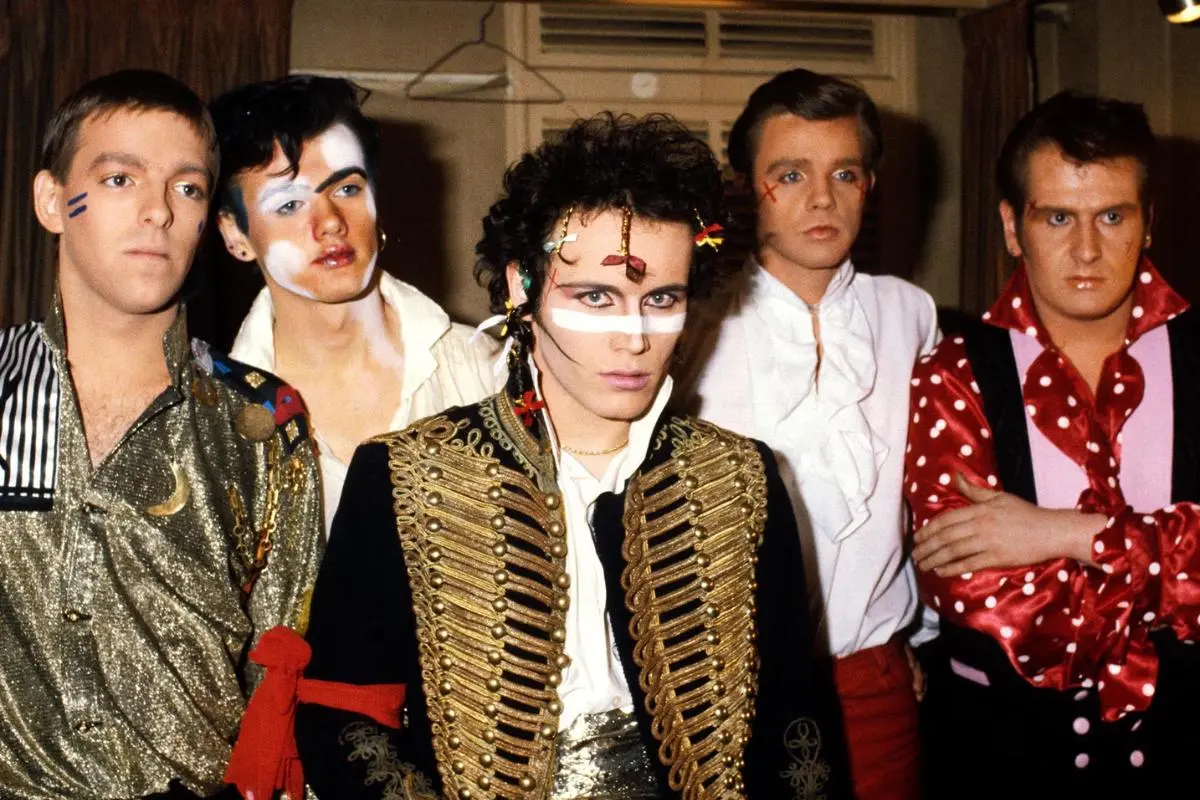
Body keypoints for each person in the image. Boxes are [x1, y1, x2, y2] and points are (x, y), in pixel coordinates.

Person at [224, 112, 851, 800]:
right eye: (595, 297)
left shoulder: (739, 478)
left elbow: (798, 727)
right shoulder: (408, 476)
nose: (635, 338)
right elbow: (344, 712)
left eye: (661, 298)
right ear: (523, 287)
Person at [0, 70, 323, 799]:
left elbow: (283, 682)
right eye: (120, 179)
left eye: (187, 189)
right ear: (52, 201)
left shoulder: (266, 423)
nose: (157, 212)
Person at [905, 91, 1200, 795]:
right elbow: (972, 587)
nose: (1088, 249)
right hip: (1003, 764)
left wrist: (1066, 534)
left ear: (1148, 222)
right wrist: (1171, 561)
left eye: (1113, 216)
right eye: (1058, 217)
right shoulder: (953, 373)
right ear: (1013, 227)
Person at [679, 68, 935, 800]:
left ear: (870, 185)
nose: (821, 199)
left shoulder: (910, 315)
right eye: (789, 175)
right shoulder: (693, 326)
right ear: (743, 187)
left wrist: (914, 637)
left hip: (874, 684)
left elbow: (928, 495)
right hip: (729, 688)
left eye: (844, 173)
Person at [211, 75, 497, 534]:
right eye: (288, 205)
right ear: (235, 235)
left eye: (347, 189)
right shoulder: (211, 419)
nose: (329, 223)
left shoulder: (486, 371)